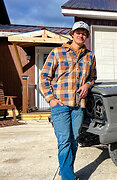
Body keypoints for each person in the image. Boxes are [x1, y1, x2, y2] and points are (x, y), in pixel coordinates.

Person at [39, 21, 97, 180]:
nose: (81, 35)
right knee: (64, 141)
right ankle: (67, 177)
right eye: (78, 32)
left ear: (86, 37)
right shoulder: (57, 52)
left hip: (79, 105)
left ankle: (66, 171)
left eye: (84, 33)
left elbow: (93, 77)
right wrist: (51, 99)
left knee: (74, 141)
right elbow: (44, 77)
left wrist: (87, 84)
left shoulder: (90, 56)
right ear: (72, 34)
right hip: (60, 104)